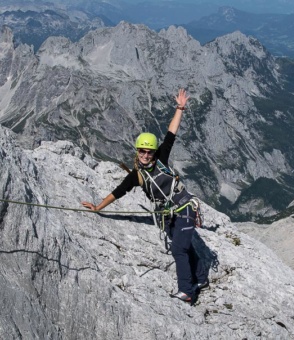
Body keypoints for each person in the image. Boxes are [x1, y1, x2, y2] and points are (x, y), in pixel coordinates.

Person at [81, 89, 208, 303]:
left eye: (149, 151)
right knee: (183, 244)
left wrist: (180, 108)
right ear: (137, 151)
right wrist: (98, 207)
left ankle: (187, 290)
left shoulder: (161, 158)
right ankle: (201, 278)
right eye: (142, 151)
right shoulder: (136, 176)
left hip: (184, 207)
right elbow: (117, 193)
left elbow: (171, 134)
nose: (146, 155)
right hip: (168, 215)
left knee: (179, 248)